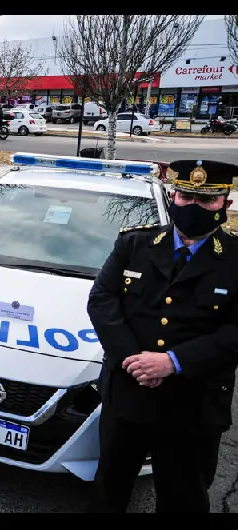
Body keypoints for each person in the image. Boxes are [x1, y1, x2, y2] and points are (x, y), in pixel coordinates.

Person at [86, 159, 238, 513]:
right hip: (129, 393)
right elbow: (102, 300)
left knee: (184, 497)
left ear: (225, 204)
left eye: (206, 200)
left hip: (194, 404)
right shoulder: (134, 244)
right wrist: (133, 360)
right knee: (109, 489)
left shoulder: (234, 259)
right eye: (186, 197)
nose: (193, 206)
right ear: (173, 197)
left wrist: (173, 362)